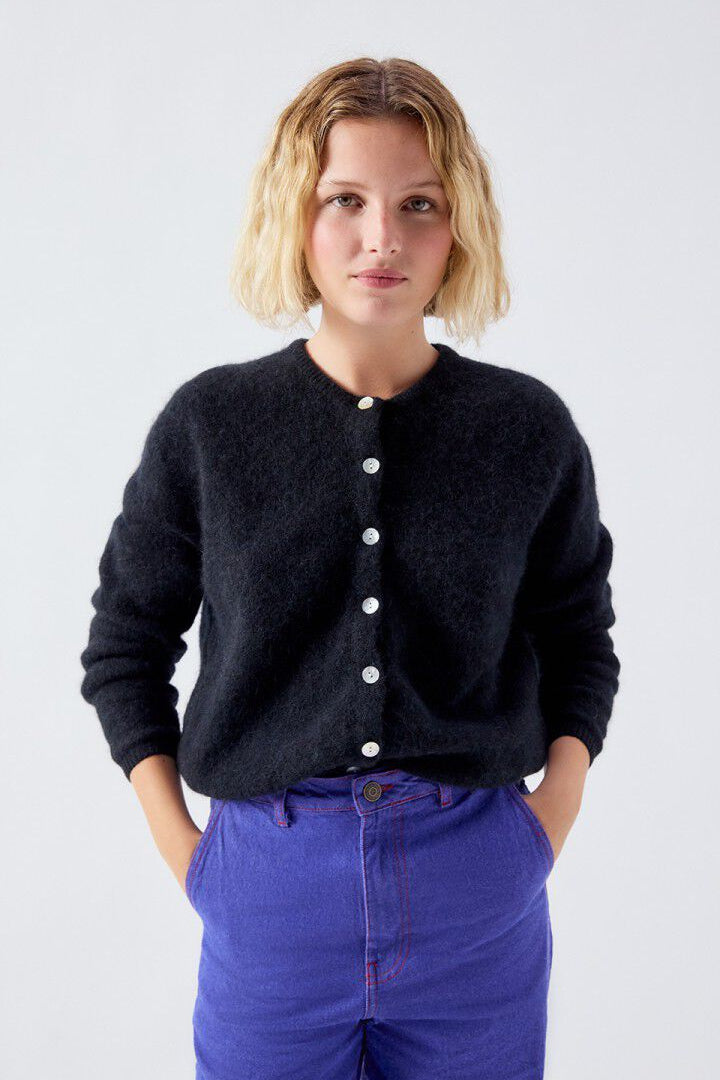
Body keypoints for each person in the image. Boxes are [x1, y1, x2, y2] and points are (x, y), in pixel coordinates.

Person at [80, 56, 621, 1080]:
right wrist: (192, 859)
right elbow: (125, 647)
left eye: (419, 203)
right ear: (297, 215)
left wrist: (547, 823)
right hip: (268, 885)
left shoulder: (524, 429)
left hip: (478, 885)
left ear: (459, 225)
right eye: (346, 200)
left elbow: (578, 639)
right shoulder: (212, 425)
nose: (384, 238)